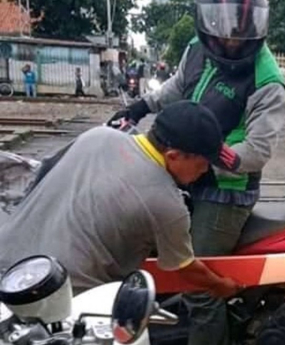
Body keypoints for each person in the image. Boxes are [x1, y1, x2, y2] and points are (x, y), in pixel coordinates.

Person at [106, 0, 285, 344]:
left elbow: (259, 150)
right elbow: (177, 87)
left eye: (242, 28)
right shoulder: (197, 48)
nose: (232, 38)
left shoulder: (267, 80)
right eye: (224, 27)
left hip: (225, 191)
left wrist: (209, 150)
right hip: (186, 172)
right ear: (206, 22)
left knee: (200, 288)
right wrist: (139, 107)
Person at [0, 101, 241, 299]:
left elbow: (43, 174)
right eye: (202, 165)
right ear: (173, 156)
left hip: (8, 265)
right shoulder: (167, 204)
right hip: (63, 297)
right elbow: (186, 268)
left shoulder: (97, 136)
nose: (204, 173)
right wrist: (220, 285)